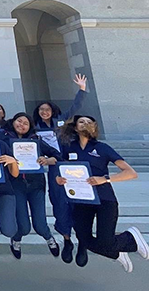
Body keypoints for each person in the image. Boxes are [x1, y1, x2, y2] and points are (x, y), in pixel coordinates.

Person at [57, 115, 148, 273]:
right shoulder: (69, 148)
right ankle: (117, 254)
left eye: (89, 122)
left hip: (104, 200)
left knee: (105, 241)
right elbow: (64, 170)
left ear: (94, 127)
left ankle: (131, 237)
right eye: (81, 121)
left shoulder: (102, 148)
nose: (85, 123)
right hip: (82, 201)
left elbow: (131, 173)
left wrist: (105, 179)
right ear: (75, 127)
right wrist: (61, 179)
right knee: (84, 239)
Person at [33, 74, 88, 264]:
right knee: (58, 202)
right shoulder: (34, 128)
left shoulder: (61, 121)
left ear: (52, 110)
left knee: (77, 201)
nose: (44, 112)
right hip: (53, 168)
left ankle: (82, 241)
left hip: (70, 165)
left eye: (47, 109)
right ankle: (67, 240)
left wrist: (81, 89)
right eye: (41, 110)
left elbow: (75, 108)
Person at [0, 113, 61, 259]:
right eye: (19, 121)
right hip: (16, 184)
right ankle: (16, 239)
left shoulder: (35, 140)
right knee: (23, 224)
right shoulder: (4, 138)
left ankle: (49, 237)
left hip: (36, 184)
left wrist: (47, 160)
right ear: (13, 122)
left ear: (30, 127)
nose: (22, 125)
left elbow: (56, 155)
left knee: (39, 223)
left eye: (25, 123)